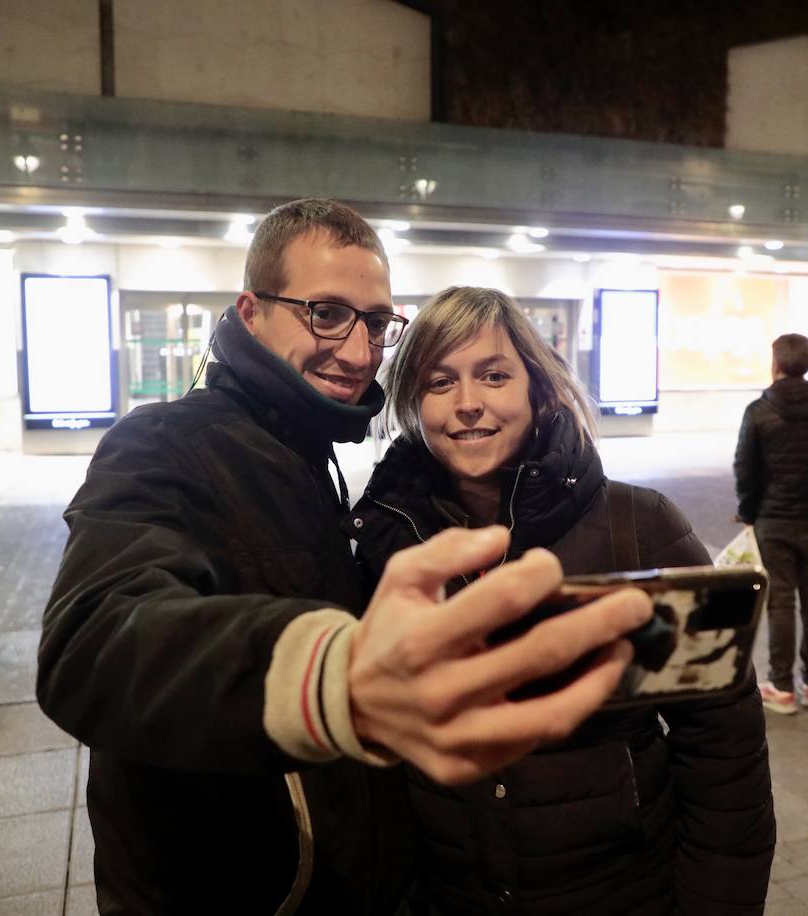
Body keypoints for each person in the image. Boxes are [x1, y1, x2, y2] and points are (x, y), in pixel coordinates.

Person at [36, 200, 654, 915]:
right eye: (325, 313)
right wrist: (334, 678)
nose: (359, 353)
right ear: (251, 310)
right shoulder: (166, 444)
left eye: (377, 324)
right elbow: (91, 639)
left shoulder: (310, 457)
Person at [347, 286, 775, 916]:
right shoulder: (384, 538)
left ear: (535, 387)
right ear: (413, 401)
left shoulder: (640, 527)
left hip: (622, 893)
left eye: (493, 375)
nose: (468, 405)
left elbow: (722, 747)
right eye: (440, 383)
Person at [733, 333, 808, 716]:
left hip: (773, 521)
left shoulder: (758, 411)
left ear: (777, 364)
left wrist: (748, 512)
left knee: (781, 603)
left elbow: (745, 468)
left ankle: (782, 687)